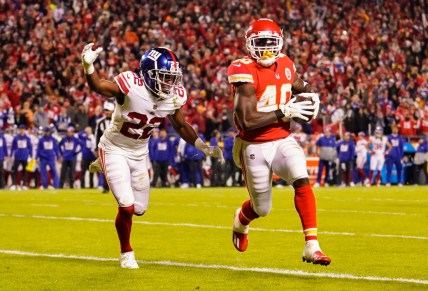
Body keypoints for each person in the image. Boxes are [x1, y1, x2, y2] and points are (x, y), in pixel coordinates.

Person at [82, 44, 223, 268]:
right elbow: (99, 86)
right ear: (148, 74)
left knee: (139, 209)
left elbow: (181, 125)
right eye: (164, 77)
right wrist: (88, 65)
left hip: (140, 153)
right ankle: (126, 252)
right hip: (115, 148)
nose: (170, 83)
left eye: (172, 78)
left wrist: (202, 145)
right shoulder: (130, 85)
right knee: (126, 206)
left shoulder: (173, 96)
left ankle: (104, 165)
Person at [226, 19, 330, 265]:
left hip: (282, 138)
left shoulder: (284, 63)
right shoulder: (243, 70)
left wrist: (310, 96)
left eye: (271, 44)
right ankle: (241, 219)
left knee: (301, 177)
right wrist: (284, 112)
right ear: (250, 44)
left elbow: (298, 85)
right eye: (260, 43)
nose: (266, 50)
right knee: (262, 209)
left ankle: (311, 245)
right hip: (253, 143)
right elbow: (247, 121)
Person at [10, 125, 33, 190]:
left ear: (24, 130)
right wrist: (11, 155)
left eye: (23, 129)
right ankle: (14, 184)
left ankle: (24, 184)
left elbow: (30, 147)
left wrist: (30, 156)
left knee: (25, 171)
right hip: (17, 156)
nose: (21, 130)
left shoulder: (27, 138)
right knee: (14, 170)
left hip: (24, 156)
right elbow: (13, 147)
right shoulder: (16, 138)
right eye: (20, 129)